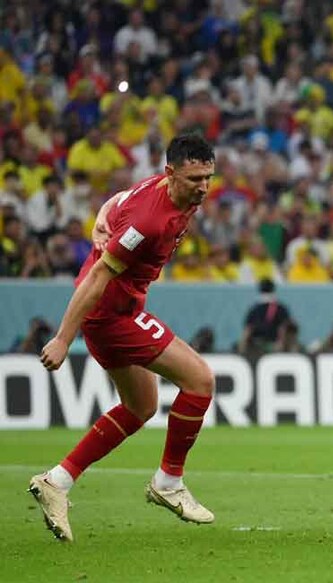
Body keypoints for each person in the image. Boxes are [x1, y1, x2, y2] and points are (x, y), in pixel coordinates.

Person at [30, 134, 218, 542]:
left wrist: (100, 221)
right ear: (171, 174)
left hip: (117, 310)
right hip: (112, 314)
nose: (202, 187)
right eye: (194, 179)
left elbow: (115, 201)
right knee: (200, 381)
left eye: (207, 177)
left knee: (141, 406)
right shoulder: (150, 221)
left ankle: (56, 482)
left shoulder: (161, 188)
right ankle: (169, 482)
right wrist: (64, 338)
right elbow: (99, 276)